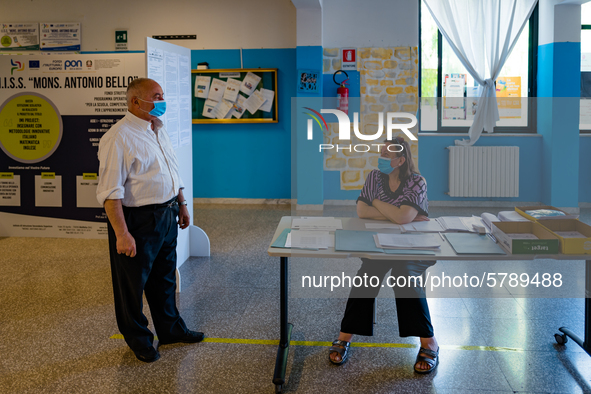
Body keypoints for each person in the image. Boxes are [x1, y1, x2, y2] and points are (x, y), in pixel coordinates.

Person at [96, 78, 204, 363]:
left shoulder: (158, 129)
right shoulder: (118, 138)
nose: (162, 100)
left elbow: (172, 170)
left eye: (162, 95)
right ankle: (139, 340)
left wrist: (181, 205)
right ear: (135, 102)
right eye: (156, 96)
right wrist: (122, 234)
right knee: (131, 285)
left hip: (167, 214)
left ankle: (170, 330)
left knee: (164, 279)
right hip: (138, 221)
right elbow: (110, 193)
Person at [328, 137, 439, 374]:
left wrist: (377, 204)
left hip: (414, 247)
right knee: (367, 275)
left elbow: (402, 218)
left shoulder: (417, 181)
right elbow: (362, 211)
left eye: (387, 155)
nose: (382, 158)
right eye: (382, 153)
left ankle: (429, 342)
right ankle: (344, 336)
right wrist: (394, 211)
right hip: (381, 243)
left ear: (401, 160)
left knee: (404, 275)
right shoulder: (374, 177)